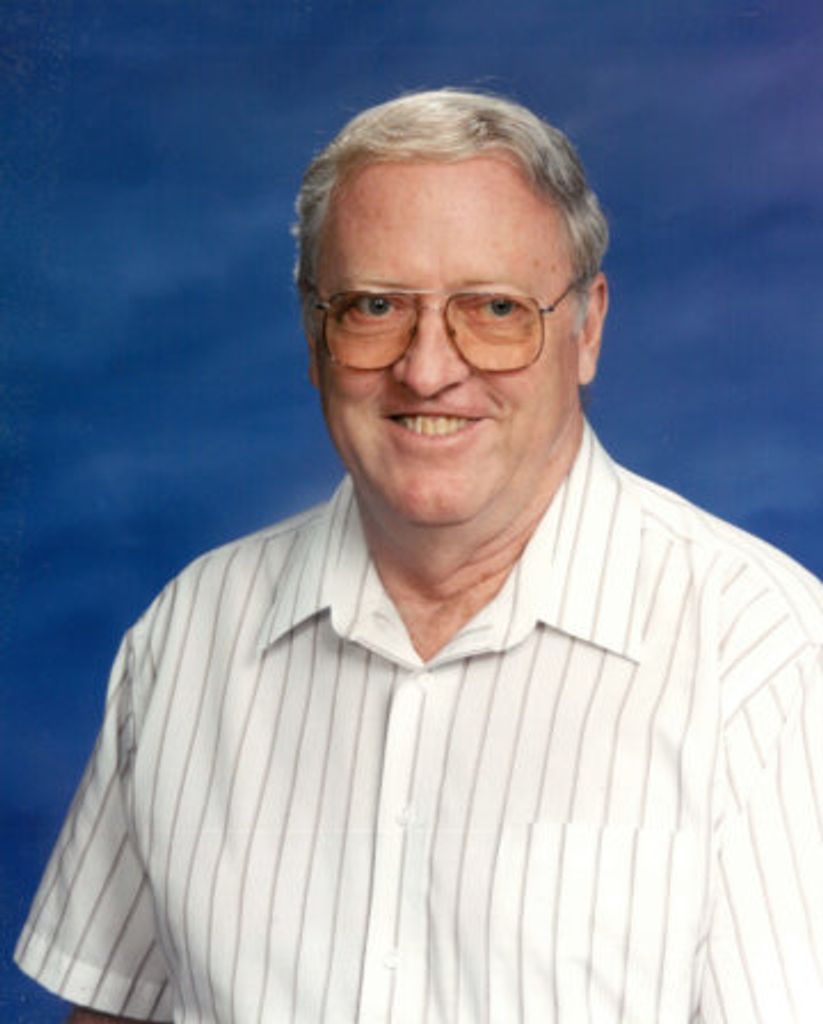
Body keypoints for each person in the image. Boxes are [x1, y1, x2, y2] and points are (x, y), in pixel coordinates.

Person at [15, 88, 823, 1023]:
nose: (429, 368)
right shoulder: (188, 636)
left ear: (587, 329)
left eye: (495, 308)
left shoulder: (764, 658)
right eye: (375, 306)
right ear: (314, 335)